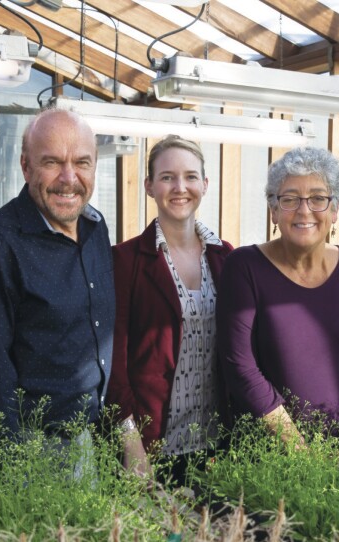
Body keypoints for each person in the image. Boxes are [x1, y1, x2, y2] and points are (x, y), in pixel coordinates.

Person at [0, 109, 113, 442]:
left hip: (93, 438)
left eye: (82, 163)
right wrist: (10, 477)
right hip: (30, 447)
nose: (69, 178)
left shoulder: (95, 227)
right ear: (26, 166)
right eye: (52, 162)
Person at [216, 146, 339, 446]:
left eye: (318, 198)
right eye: (289, 199)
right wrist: (302, 457)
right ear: (273, 210)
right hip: (272, 462)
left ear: (335, 209)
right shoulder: (244, 267)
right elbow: (240, 367)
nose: (304, 210)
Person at [108, 135, 233, 479]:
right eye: (167, 177)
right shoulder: (125, 261)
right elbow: (114, 367)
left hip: (218, 447)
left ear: (205, 185)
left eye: (191, 176)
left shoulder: (227, 258)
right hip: (151, 451)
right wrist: (131, 445)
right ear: (149, 186)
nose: (180, 187)